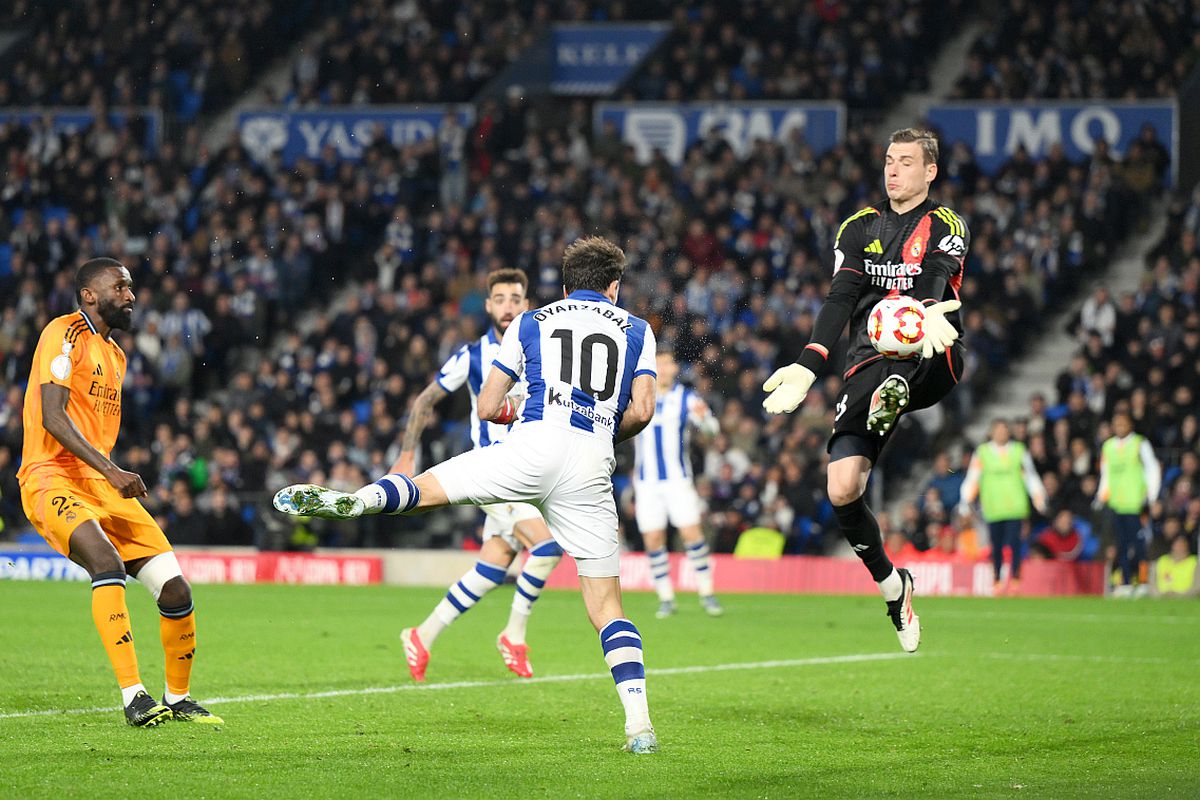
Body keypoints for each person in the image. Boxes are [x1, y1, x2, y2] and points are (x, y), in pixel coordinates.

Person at [274, 237, 660, 754]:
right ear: (614, 286)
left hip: (528, 449)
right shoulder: (638, 329)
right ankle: (639, 726)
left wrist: (520, 406)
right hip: (590, 463)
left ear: (565, 286)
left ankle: (361, 500)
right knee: (607, 606)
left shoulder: (532, 322)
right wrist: (601, 428)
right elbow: (641, 412)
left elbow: (487, 406)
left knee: (430, 490)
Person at [762, 128, 968, 652]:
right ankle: (893, 586)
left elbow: (937, 275)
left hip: (932, 344)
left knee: (907, 356)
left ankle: (895, 392)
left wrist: (921, 314)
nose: (893, 170)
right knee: (842, 489)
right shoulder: (859, 226)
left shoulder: (945, 224)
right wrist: (809, 365)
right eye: (888, 160)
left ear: (930, 172)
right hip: (867, 360)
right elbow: (840, 298)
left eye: (905, 161)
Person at [16, 258, 221, 727]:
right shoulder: (64, 335)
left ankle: (179, 698)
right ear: (89, 294)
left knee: (175, 588)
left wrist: (106, 474)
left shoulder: (117, 355)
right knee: (105, 563)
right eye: (121, 287)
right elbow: (52, 416)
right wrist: (112, 470)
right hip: (51, 476)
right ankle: (134, 697)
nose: (131, 295)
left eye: (131, 288)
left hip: (100, 483)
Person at [388, 268, 563, 681]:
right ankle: (514, 634)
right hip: (497, 470)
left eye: (516, 299)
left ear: (527, 304)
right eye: (500, 299)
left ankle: (421, 634)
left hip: (530, 468)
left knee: (492, 567)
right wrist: (407, 454)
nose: (508, 306)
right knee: (548, 548)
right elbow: (426, 398)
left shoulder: (539, 350)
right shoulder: (472, 355)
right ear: (488, 305)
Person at [632, 350, 723, 619]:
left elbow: (712, 431)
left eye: (668, 363)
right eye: (659, 362)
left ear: (674, 369)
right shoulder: (637, 394)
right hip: (646, 482)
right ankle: (666, 597)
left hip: (677, 480)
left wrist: (706, 420)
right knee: (653, 539)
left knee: (692, 534)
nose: (664, 367)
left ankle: (707, 592)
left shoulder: (685, 397)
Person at [958, 419, 1048, 594]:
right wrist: (965, 501)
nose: (1001, 434)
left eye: (1004, 430)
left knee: (1015, 543)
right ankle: (997, 579)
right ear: (992, 433)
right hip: (993, 507)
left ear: (1009, 433)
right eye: (998, 430)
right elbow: (973, 478)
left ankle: (1015, 579)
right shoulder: (983, 452)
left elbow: (1029, 476)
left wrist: (1039, 496)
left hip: (1015, 506)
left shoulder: (1018, 451)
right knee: (996, 544)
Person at [1094, 412, 1161, 597]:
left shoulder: (1140, 443)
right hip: (1117, 503)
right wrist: (1100, 497)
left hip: (1136, 504)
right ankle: (1125, 582)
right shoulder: (1108, 446)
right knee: (1121, 545)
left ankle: (1144, 581)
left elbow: (1152, 469)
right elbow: (1106, 474)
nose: (1120, 426)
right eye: (1116, 423)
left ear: (1130, 424)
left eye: (1123, 422)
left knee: (1139, 544)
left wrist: (1152, 496)